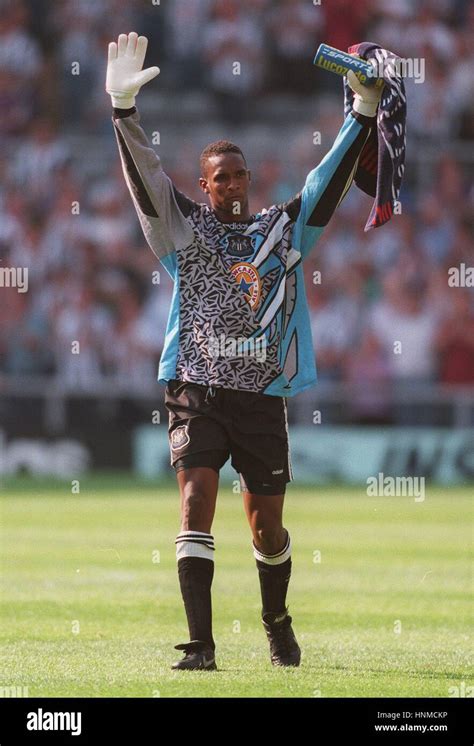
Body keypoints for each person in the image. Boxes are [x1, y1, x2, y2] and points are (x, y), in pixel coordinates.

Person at [105, 32, 383, 670]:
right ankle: (200, 648)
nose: (231, 184)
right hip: (196, 389)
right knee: (195, 500)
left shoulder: (282, 232)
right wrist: (123, 113)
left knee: (266, 529)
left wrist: (362, 114)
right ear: (204, 187)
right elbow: (148, 183)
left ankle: (276, 622)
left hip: (262, 398)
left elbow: (327, 183)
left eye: (239, 175)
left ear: (250, 180)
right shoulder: (186, 231)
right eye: (219, 177)